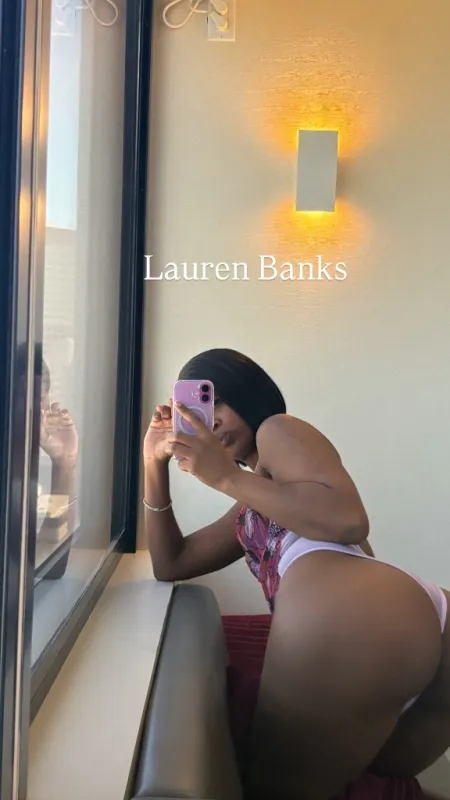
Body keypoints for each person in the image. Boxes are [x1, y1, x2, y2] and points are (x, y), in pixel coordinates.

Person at [142, 347, 450, 800]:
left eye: (217, 401)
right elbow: (173, 562)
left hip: (352, 616)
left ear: (248, 395)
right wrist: (153, 465)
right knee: (384, 773)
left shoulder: (279, 429)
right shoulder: (255, 503)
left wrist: (225, 477)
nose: (214, 421)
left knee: (276, 789)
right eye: (200, 411)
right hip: (415, 616)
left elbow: (349, 520)